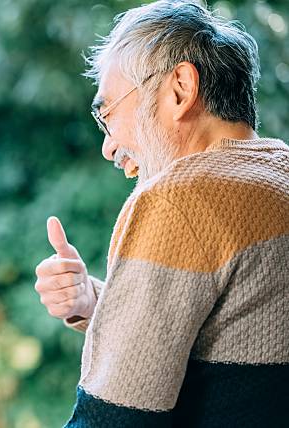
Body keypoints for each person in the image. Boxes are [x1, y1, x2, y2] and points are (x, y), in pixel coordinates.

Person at [33, 1, 288, 427]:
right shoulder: (276, 173)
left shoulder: (181, 197)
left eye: (108, 112)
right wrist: (99, 303)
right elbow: (239, 354)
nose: (109, 146)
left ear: (180, 89)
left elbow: (114, 419)